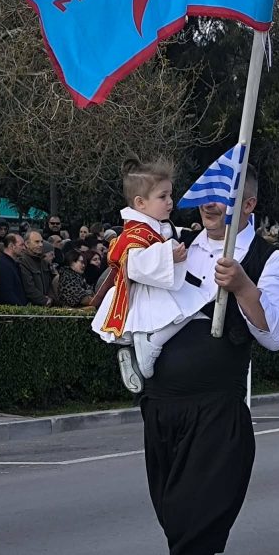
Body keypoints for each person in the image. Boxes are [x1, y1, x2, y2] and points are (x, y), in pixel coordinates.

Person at [136, 164, 279, 555]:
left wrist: (245, 288)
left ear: (247, 204)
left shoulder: (269, 260)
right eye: (202, 194)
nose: (207, 203)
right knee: (171, 511)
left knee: (194, 511)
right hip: (162, 406)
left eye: (221, 196)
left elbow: (276, 336)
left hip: (216, 409)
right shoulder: (174, 242)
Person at [92, 159, 190, 393]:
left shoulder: (151, 226)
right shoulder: (136, 232)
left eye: (170, 195)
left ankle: (133, 352)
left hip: (147, 289)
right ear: (140, 203)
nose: (170, 202)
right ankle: (148, 345)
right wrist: (168, 256)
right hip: (143, 292)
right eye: (163, 196)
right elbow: (134, 265)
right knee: (186, 310)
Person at [19, 230, 55, 306]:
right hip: (32, 308)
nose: (41, 245)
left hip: (47, 306)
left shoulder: (44, 262)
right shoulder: (23, 261)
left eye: (42, 242)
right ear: (27, 244)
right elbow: (29, 287)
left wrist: (51, 298)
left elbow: (50, 284)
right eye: (37, 242)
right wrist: (44, 300)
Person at [0, 233, 26, 306]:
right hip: (11, 313)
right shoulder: (2, 265)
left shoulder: (12, 264)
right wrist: (21, 310)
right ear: (11, 246)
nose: (24, 248)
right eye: (21, 245)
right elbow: (7, 294)